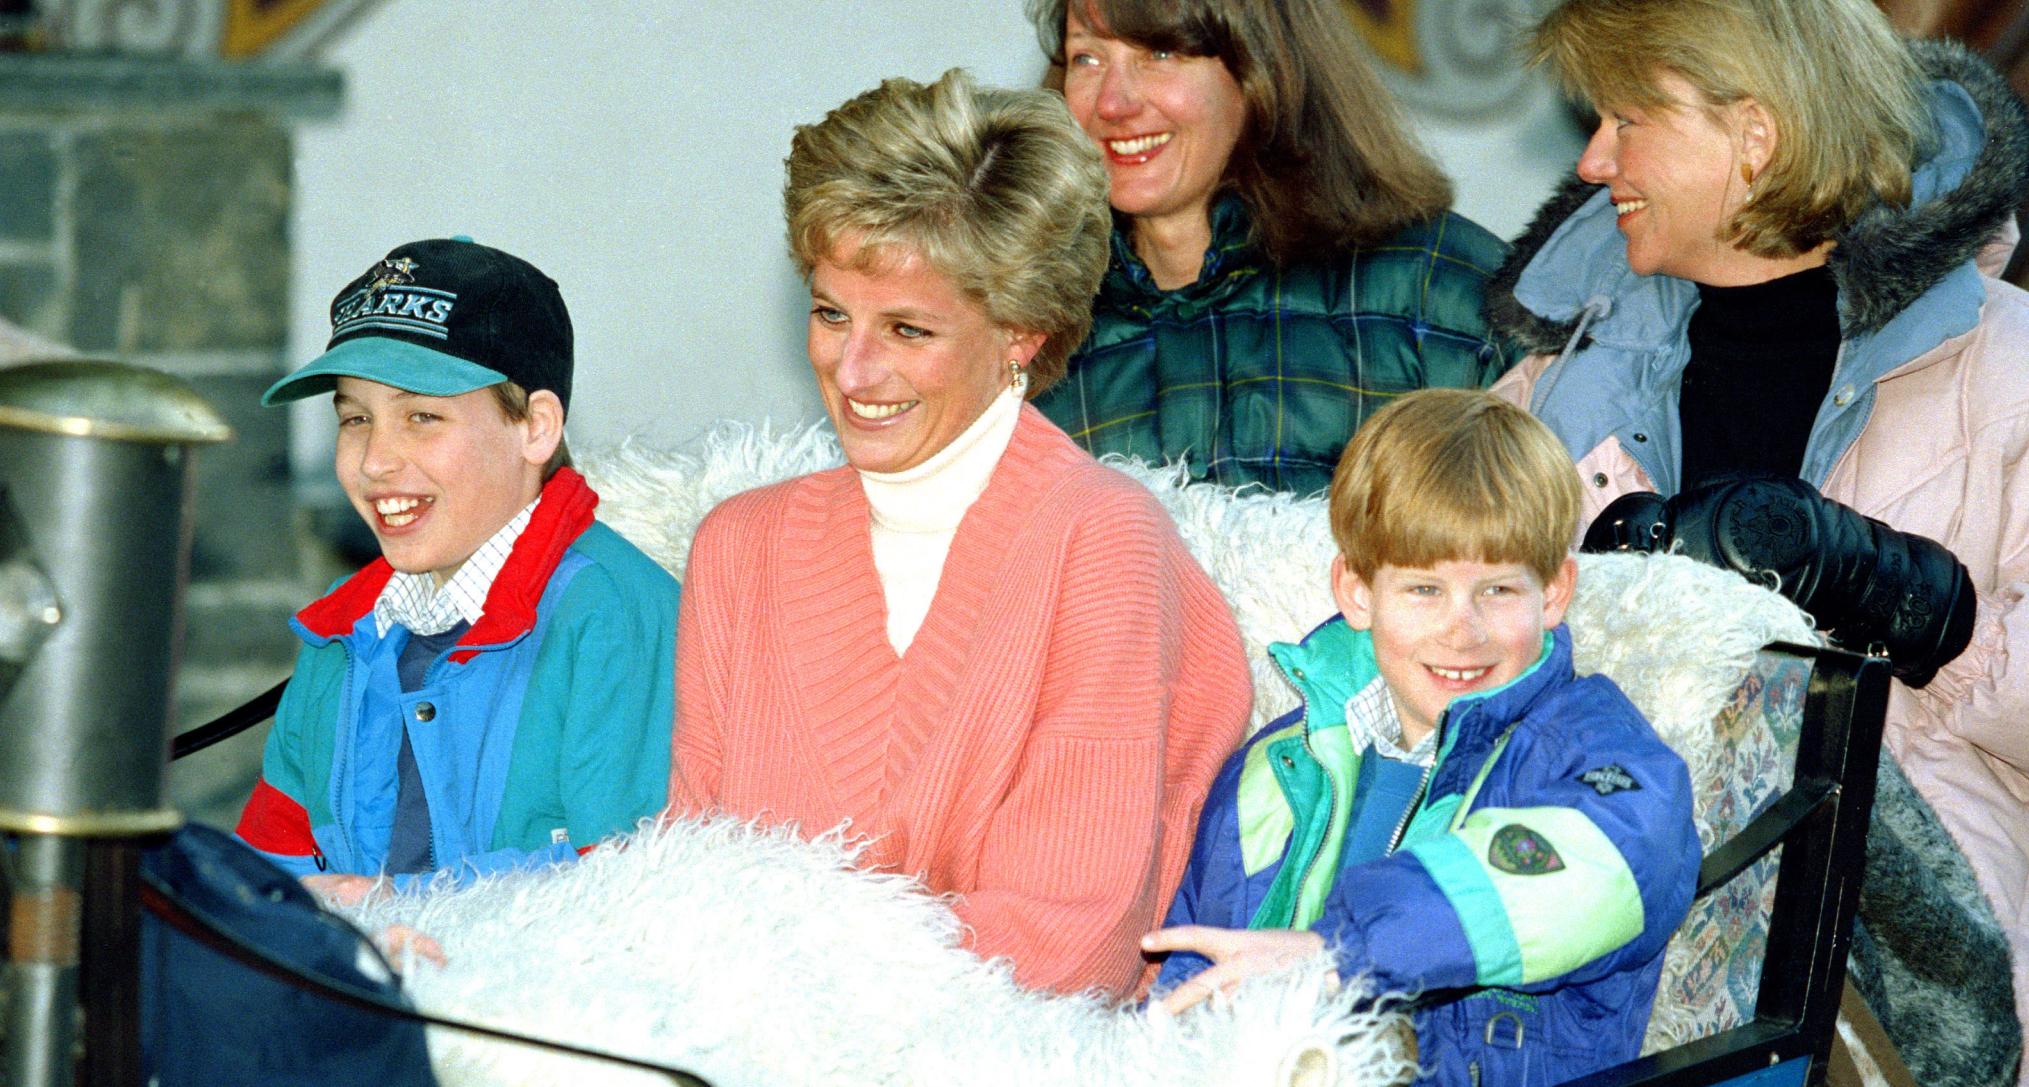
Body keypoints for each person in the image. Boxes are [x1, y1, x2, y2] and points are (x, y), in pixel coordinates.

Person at [1485, 0, 2029, 1073]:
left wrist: (1930, 619)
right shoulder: (1554, 384)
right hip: (1602, 1002)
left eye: (1627, 118)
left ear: (1755, 136)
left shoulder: (2003, 370)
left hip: (1912, 1017)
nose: (1592, 162)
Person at [665, 69, 1252, 998]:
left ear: (1019, 330)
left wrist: (790, 987)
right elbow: (684, 884)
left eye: (906, 328)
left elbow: (1073, 942)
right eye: (829, 313)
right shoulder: (736, 547)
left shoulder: (1103, 544)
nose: (852, 368)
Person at [1144, 389, 1699, 1087]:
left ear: (1554, 591)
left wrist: (1337, 953)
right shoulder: (1277, 764)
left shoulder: (1596, 749)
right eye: (1422, 591)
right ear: (1356, 589)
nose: (1460, 630)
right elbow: (1198, 964)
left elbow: (1611, 865)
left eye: (1497, 590)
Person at [237, 237, 680, 905]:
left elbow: (634, 889)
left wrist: (395, 907)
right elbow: (261, 868)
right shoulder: (338, 632)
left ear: (535, 427)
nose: (376, 459)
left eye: (421, 416)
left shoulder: (612, 614)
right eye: (355, 418)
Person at [1021, 0, 1516, 496]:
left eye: (1161, 52)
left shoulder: (1446, 290)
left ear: (1265, 68)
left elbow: (1565, 551)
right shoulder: (1020, 325)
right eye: (1086, 58)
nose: (1112, 103)